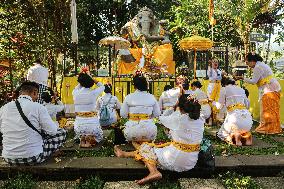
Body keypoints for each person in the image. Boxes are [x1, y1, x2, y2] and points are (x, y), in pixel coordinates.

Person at [114, 95, 204, 185]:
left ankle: (153, 171)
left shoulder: (178, 119)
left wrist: (173, 107)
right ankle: (125, 154)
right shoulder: (201, 119)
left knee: (147, 148)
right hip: (191, 161)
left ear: (180, 107)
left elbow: (161, 118)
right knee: (158, 147)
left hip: (176, 160)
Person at [0, 81, 66, 165]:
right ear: (34, 92)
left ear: (21, 92)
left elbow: (2, 130)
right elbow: (52, 131)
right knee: (62, 132)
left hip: (8, 157)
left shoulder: (4, 108)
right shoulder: (38, 107)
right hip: (32, 157)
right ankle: (51, 151)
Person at [241, 53, 282, 134]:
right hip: (273, 88)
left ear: (252, 61)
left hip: (269, 90)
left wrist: (242, 78)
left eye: (247, 63)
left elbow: (254, 81)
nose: (248, 65)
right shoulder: (262, 65)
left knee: (267, 110)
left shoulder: (258, 67)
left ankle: (267, 129)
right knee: (273, 110)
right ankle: (274, 128)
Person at [120, 74, 160, 142]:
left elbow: (123, 114)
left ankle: (136, 148)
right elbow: (157, 113)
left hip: (131, 132)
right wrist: (148, 117)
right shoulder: (152, 97)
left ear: (134, 86)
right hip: (149, 132)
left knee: (131, 136)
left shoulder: (128, 97)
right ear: (146, 85)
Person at [213, 76, 253, 146]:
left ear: (223, 83)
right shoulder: (241, 89)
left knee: (220, 134)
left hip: (235, 121)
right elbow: (247, 105)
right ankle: (246, 137)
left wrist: (212, 102)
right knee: (242, 128)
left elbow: (219, 106)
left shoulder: (224, 89)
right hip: (248, 121)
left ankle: (233, 138)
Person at [72, 72, 105, 148]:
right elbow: (102, 86)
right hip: (92, 125)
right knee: (99, 137)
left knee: (81, 131)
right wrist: (91, 78)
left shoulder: (75, 93)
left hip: (78, 127)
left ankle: (83, 139)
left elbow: (77, 87)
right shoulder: (93, 93)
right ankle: (89, 140)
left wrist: (83, 79)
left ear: (80, 82)